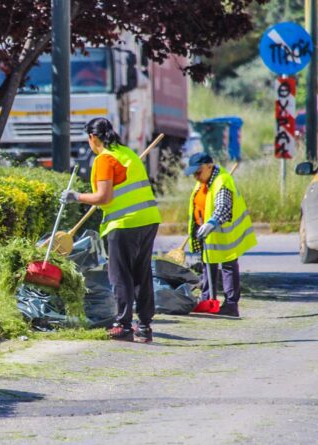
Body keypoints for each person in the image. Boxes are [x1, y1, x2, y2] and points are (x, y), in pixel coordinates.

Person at [60, 118, 161, 342]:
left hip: (124, 224)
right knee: (141, 275)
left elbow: (103, 198)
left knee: (120, 275)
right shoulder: (127, 153)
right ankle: (144, 327)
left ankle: (123, 325)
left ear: (92, 137)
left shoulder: (104, 159)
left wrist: (75, 197)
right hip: (148, 219)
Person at [184, 152, 256, 317]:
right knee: (208, 265)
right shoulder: (203, 181)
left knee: (228, 267)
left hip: (224, 235)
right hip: (208, 235)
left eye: (198, 171)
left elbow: (223, 207)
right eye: (193, 173)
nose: (195, 176)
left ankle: (231, 305)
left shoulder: (222, 181)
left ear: (209, 166)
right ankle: (207, 299)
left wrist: (212, 223)